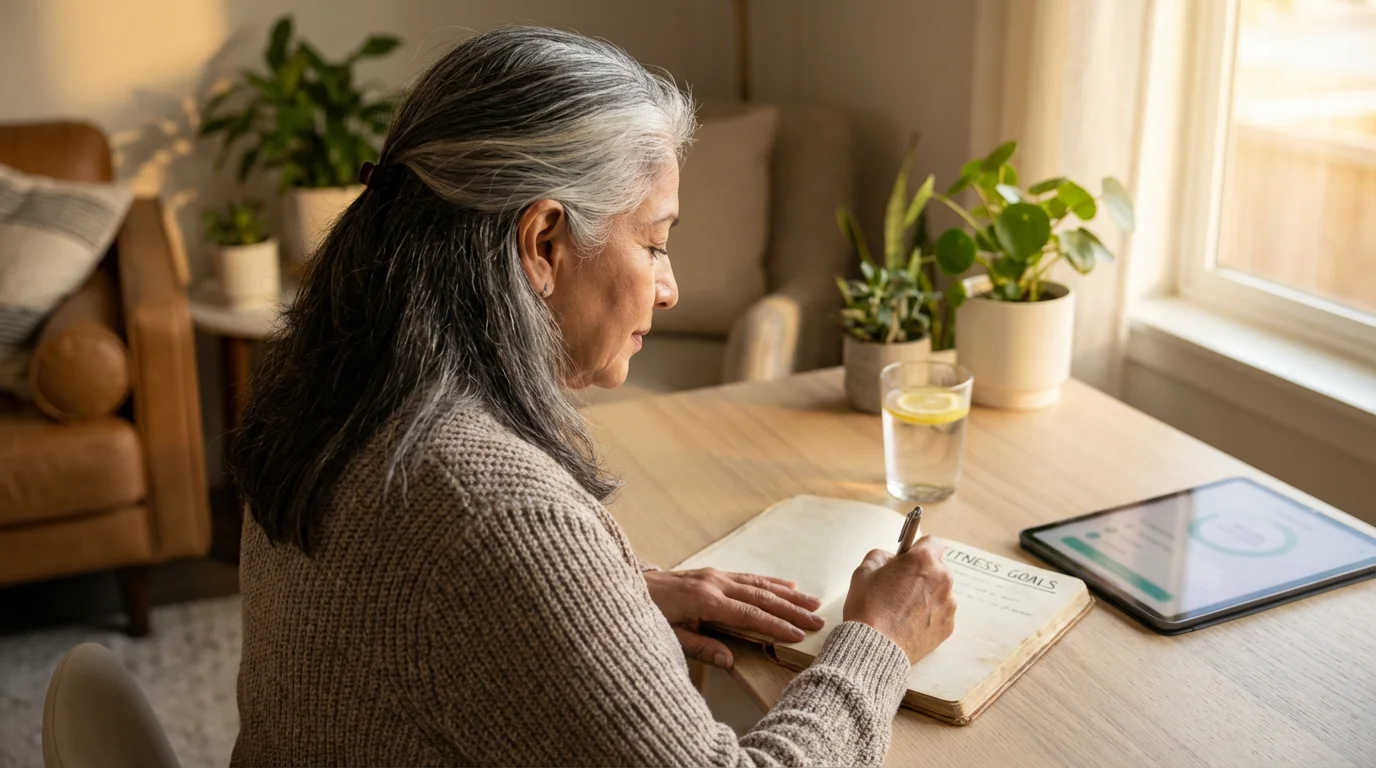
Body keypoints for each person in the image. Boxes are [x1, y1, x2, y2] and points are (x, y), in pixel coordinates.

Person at [229, 25, 956, 767]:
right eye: (654, 242)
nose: (669, 289)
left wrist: (607, 598)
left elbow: (408, 602)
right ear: (543, 242)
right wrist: (878, 639)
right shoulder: (499, 516)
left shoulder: (322, 392)